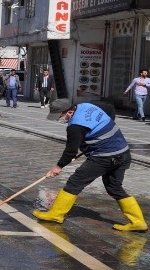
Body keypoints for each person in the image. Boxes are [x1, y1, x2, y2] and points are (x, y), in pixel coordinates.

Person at [32, 98, 147, 232]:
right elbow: (109, 106)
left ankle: (56, 215)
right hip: (123, 152)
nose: (60, 119)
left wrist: (58, 167)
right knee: (114, 187)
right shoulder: (87, 105)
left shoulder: (75, 126)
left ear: (69, 112)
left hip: (104, 156)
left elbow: (70, 152)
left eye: (61, 116)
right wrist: (103, 128)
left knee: (75, 182)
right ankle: (138, 221)